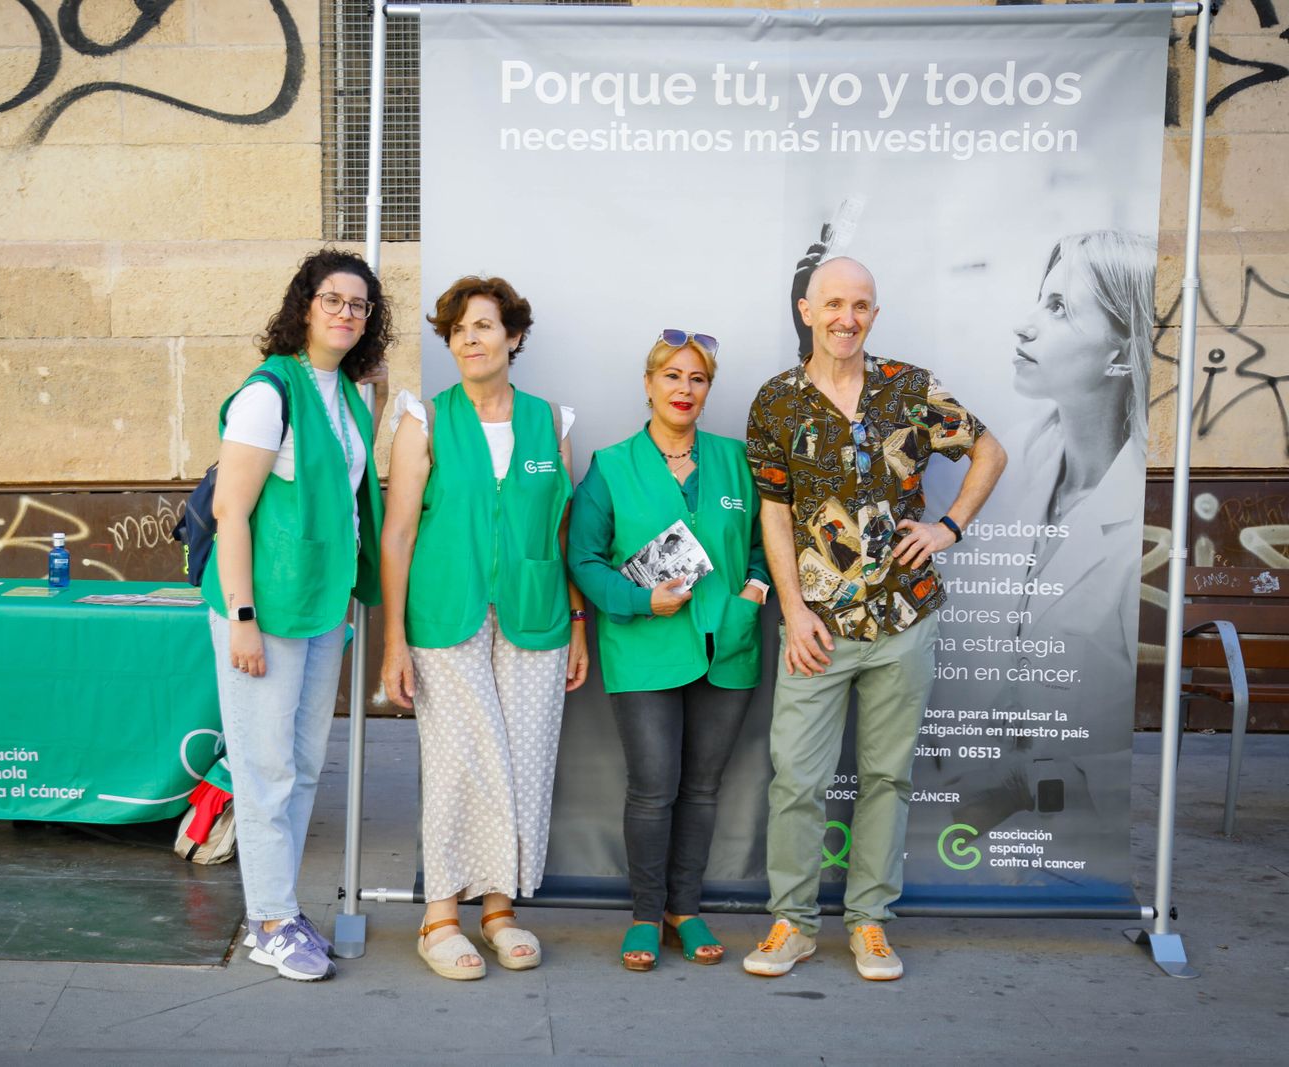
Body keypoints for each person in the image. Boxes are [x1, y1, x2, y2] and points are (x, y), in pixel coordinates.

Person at [744, 257, 1006, 981]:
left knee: (887, 776)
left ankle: (870, 925)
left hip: (903, 618)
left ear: (874, 315)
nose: (845, 317)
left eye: (860, 305)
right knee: (796, 777)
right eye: (832, 304)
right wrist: (793, 610)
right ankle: (791, 925)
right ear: (806, 310)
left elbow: (989, 448)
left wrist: (949, 525)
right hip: (817, 627)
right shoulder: (776, 402)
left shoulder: (911, 389)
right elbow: (774, 510)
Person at [380, 276, 587, 981]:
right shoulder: (424, 420)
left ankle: (498, 910)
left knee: (526, 757)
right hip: (445, 616)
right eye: (459, 328)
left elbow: (559, 532)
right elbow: (399, 532)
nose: (470, 337)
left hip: (536, 615)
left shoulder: (550, 423)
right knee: (461, 757)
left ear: (514, 337)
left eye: (485, 325)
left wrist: (579, 627)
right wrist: (392, 643)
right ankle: (440, 916)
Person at [202, 249, 391, 982]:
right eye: (334, 299)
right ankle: (270, 920)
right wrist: (243, 617)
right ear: (304, 305)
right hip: (266, 610)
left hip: (319, 609)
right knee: (265, 766)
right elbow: (231, 511)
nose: (347, 312)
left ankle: (279, 903)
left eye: (360, 305)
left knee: (305, 763)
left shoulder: (344, 393)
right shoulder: (266, 393)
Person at [938, 231, 1156, 836]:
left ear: (1123, 350)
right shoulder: (1018, 463)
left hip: (1082, 843)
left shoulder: (1149, 522)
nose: (1024, 326)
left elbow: (1149, 741)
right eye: (1041, 299)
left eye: (1059, 308)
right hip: (970, 828)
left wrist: (1022, 782)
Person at [568, 330, 770, 972]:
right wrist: (638, 601)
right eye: (672, 376)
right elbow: (583, 557)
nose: (684, 389)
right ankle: (645, 914)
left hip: (728, 647)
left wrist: (755, 592)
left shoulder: (737, 461)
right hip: (644, 646)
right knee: (654, 790)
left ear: (708, 391)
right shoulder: (611, 464)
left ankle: (686, 908)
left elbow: (769, 542)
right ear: (649, 383)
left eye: (697, 379)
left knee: (703, 790)